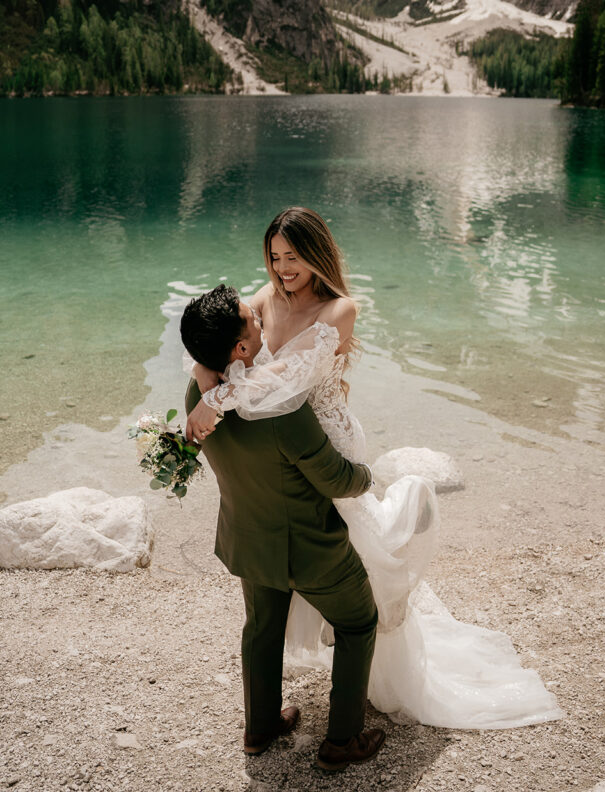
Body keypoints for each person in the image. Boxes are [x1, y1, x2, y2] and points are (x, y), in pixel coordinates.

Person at [185, 207, 564, 730]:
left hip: (322, 436)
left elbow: (285, 376)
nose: (281, 269)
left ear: (316, 254)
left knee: (358, 556)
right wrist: (205, 368)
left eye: (292, 258)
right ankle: (334, 721)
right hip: (285, 433)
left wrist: (216, 394)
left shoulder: (340, 310)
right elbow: (223, 336)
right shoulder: (267, 295)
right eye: (274, 257)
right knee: (320, 570)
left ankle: (353, 685)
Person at [181, 284, 386, 772]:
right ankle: (341, 742)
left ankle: (260, 728)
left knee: (262, 628)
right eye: (250, 318)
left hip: (248, 536)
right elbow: (335, 477)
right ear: (241, 348)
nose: (258, 314)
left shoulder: (200, 395)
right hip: (310, 547)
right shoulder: (283, 410)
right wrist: (369, 477)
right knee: (358, 623)